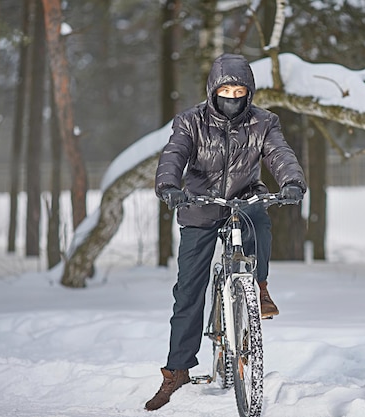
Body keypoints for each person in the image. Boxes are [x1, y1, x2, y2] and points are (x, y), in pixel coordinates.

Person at [145, 53, 307, 411]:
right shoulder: (190, 122)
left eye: (239, 90)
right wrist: (170, 186)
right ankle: (178, 370)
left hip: (244, 198)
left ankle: (258, 288)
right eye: (225, 89)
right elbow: (173, 154)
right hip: (200, 205)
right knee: (189, 292)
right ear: (213, 90)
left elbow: (279, 153)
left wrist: (292, 181)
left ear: (249, 92)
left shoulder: (264, 122)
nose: (232, 96)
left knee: (260, 219)